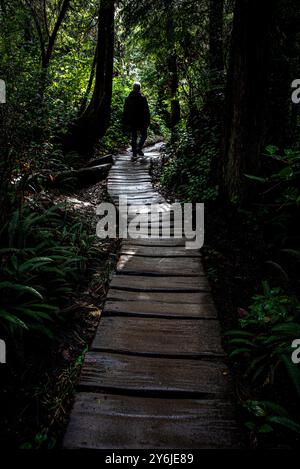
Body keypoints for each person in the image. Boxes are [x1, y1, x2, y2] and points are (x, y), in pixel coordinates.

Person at [123, 82, 150, 158]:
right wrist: (148, 121)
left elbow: (125, 111)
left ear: (133, 88)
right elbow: (146, 111)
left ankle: (134, 153)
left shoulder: (128, 98)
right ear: (139, 88)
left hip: (132, 121)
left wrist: (125, 122)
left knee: (134, 137)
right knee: (144, 135)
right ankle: (139, 148)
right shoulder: (143, 98)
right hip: (141, 121)